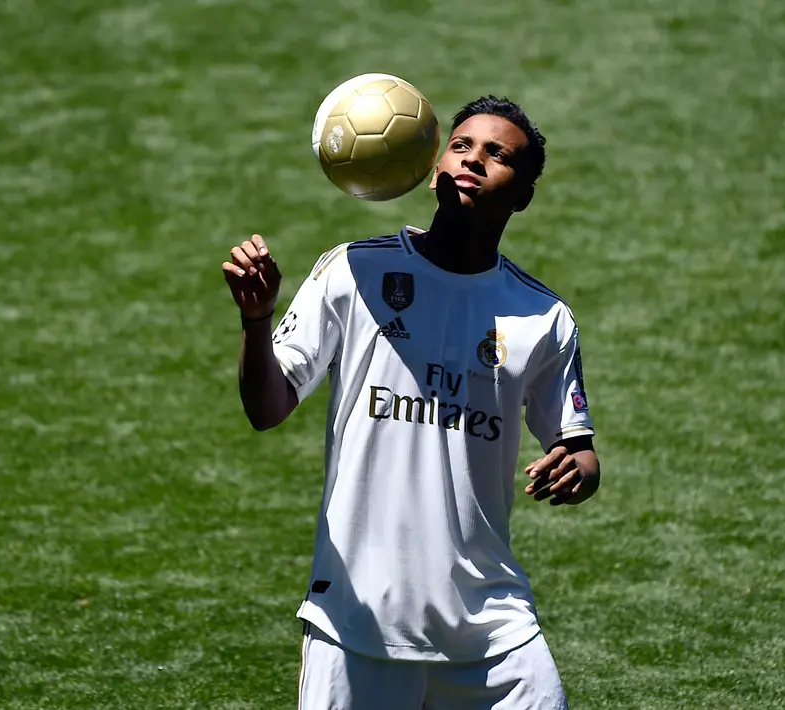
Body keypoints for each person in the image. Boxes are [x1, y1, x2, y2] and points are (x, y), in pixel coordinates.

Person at [221, 96, 601, 710]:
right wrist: (256, 320)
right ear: (433, 167)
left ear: (522, 195)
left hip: (494, 629)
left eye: (498, 155)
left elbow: (579, 450)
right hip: (358, 622)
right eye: (462, 145)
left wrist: (575, 470)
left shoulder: (544, 317)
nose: (474, 160)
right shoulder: (354, 272)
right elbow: (267, 406)